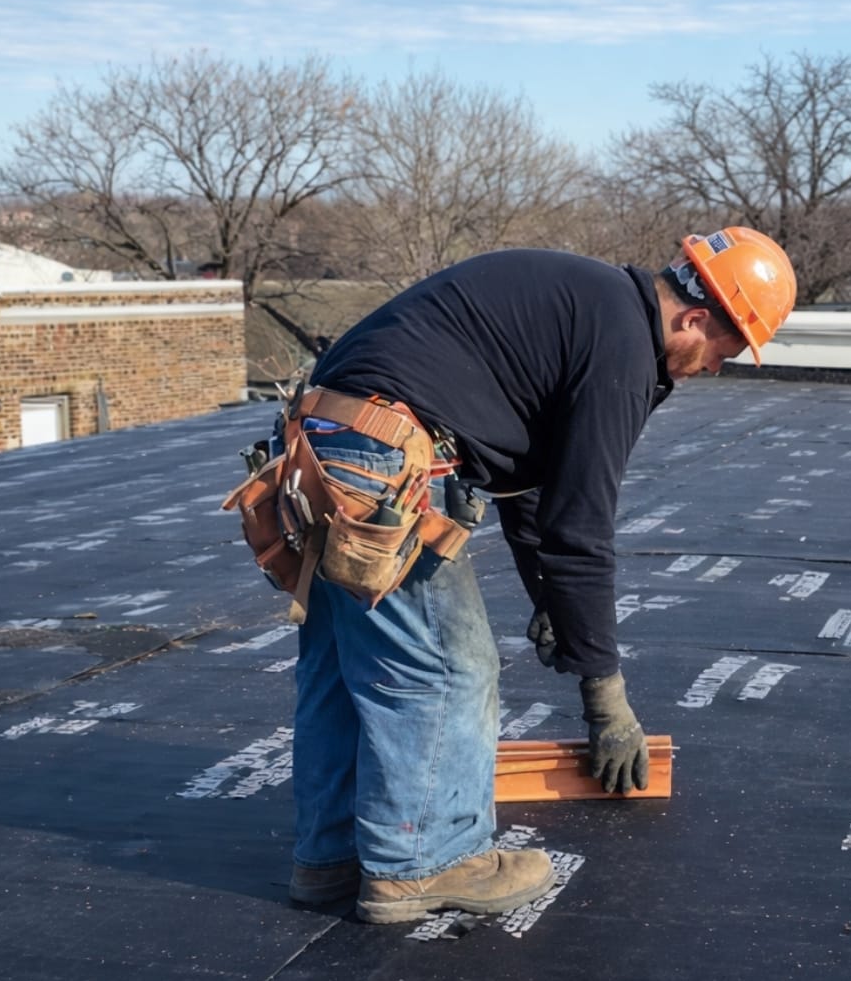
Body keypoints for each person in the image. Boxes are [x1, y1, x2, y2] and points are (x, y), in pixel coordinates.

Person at [281, 228, 797, 924]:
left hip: (324, 441)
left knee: (345, 667)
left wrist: (550, 602)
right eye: (724, 352)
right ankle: (428, 863)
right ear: (696, 318)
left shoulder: (594, 306)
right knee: (448, 668)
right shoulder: (623, 348)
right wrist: (604, 696)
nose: (714, 368)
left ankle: (331, 857)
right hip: (381, 455)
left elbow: (530, 491)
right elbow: (582, 527)